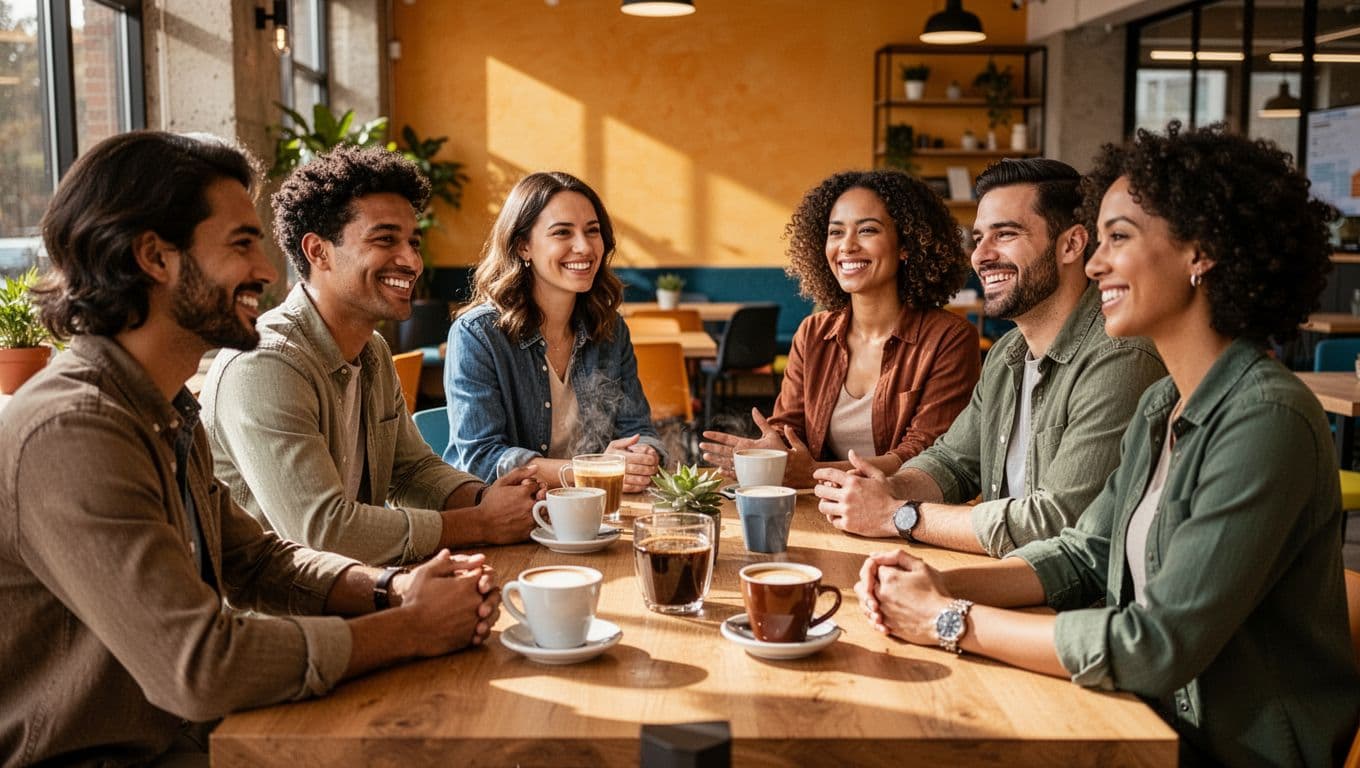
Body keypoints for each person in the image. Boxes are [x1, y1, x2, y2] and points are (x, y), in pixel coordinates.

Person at [856, 123, 1360, 767]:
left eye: (1117, 238)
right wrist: (936, 583)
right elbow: (1085, 555)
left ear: (1200, 253)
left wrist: (951, 619)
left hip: (1230, 749)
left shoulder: (1265, 419)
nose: (1094, 265)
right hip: (1141, 718)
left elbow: (1156, 646)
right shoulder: (1163, 405)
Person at [0, 131, 500, 764]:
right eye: (242, 244)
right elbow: (200, 666)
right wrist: (409, 627)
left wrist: (390, 591)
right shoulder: (73, 429)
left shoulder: (163, 408)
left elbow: (260, 561)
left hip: (197, 736)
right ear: (155, 257)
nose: (267, 272)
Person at [202, 146, 537, 566]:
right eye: (385, 240)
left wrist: (492, 498)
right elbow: (323, 532)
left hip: (360, 591)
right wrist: (481, 523)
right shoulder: (263, 364)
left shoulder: (372, 350)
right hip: (279, 620)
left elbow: (412, 471)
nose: (412, 260)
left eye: (413, 242)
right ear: (317, 251)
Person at [814, 158, 1165, 556]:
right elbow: (952, 461)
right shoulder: (1006, 354)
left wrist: (898, 514)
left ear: (1071, 244)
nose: (981, 256)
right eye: (978, 238)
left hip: (1070, 608)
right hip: (1009, 581)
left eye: (1005, 234)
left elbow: (1057, 521)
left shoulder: (1119, 357)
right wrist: (884, 489)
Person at [698, 170, 980, 488]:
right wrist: (770, 451)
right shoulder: (813, 333)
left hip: (902, 514)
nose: (847, 246)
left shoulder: (950, 339)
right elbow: (789, 429)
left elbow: (924, 455)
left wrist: (814, 471)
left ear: (906, 245)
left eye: (867, 230)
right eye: (836, 233)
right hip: (821, 508)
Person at [444, 171, 665, 492]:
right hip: (508, 518)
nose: (584, 247)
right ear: (523, 247)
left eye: (593, 231)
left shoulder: (610, 329)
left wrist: (644, 455)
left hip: (596, 512)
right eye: (562, 233)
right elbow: (482, 459)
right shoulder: (477, 334)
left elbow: (638, 429)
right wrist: (590, 470)